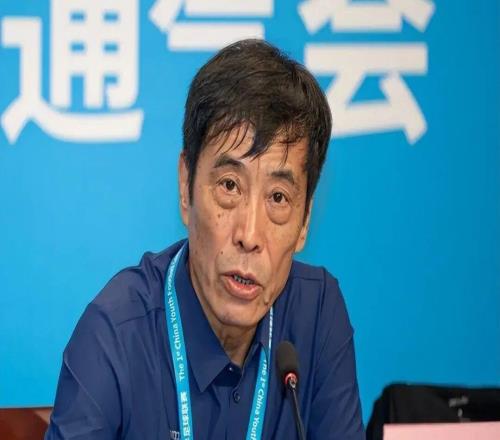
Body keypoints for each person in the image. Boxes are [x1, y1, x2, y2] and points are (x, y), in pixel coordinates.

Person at [46, 39, 365, 440]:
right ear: (186, 187)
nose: (249, 235)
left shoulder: (317, 314)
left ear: (304, 222)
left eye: (278, 198)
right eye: (230, 186)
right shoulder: (115, 334)